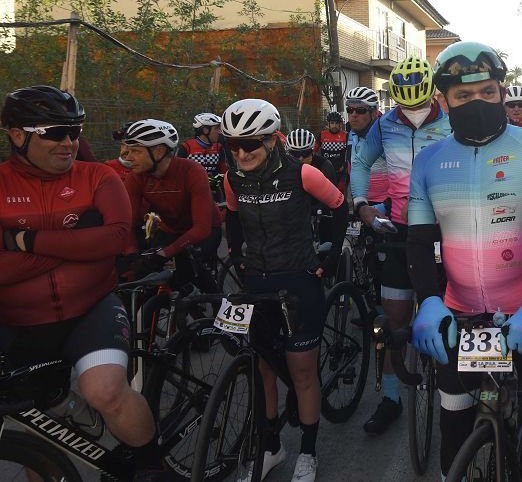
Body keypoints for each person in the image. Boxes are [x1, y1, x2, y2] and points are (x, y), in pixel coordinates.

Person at [406, 41, 522, 481]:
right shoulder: (428, 160)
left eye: (488, 93)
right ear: (443, 99)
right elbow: (417, 243)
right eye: (464, 96)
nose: (478, 102)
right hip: (459, 315)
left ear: (502, 91)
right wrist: (429, 302)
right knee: (453, 447)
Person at [0, 86, 164, 480]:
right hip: (18, 321)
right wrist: (77, 244)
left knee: (106, 390)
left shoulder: (98, 177)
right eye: (56, 132)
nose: (70, 142)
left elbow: (115, 240)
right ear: (17, 135)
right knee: (32, 427)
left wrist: (23, 242)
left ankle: (151, 468)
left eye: (76, 131)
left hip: (91, 309)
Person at [221, 98, 347, 482]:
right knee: (263, 370)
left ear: (273, 140)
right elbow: (232, 219)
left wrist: (330, 259)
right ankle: (272, 447)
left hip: (298, 278)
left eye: (251, 144)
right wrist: (241, 261)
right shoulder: (231, 178)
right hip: (257, 279)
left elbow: (340, 207)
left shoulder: (304, 174)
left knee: (302, 371)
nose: (241, 153)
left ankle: (308, 453)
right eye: (233, 145)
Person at [349, 56, 451, 434]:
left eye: (419, 104)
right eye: (405, 106)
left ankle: (455, 391)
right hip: (402, 230)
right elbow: (361, 163)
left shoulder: (452, 121)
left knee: (451, 313)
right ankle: (391, 398)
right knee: (394, 321)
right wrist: (361, 205)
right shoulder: (384, 124)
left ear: (432, 94)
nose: (413, 113)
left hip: (446, 230)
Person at [123, 119, 220, 293]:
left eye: (136, 151)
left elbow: (201, 229)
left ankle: (217, 302)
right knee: (144, 274)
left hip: (206, 230)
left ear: (159, 151)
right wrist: (132, 254)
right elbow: (129, 224)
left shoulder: (192, 171)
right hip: (171, 231)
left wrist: (165, 254)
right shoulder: (135, 177)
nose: (128, 157)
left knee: (189, 268)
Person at [344, 87, 388, 206]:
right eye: (350, 110)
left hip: (385, 204)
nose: (353, 115)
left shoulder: (385, 135)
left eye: (360, 110)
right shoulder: (351, 133)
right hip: (359, 201)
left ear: (373, 113)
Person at [177, 112, 228, 178]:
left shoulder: (218, 147)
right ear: (205, 130)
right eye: (216, 128)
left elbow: (224, 172)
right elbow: (178, 173)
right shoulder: (186, 147)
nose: (219, 132)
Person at [315, 110, 349, 177]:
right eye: (332, 123)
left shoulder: (346, 135)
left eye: (336, 123)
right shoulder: (322, 134)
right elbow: (314, 151)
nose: (334, 126)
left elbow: (350, 154)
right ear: (328, 124)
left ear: (340, 124)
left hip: (341, 172)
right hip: (325, 171)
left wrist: (344, 166)